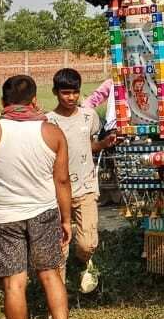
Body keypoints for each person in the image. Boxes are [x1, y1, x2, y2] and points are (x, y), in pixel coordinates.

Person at [0, 74, 74, 319]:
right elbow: (63, 181)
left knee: (13, 285)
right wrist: (66, 219)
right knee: (50, 274)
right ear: (34, 100)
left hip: (4, 216)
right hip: (43, 212)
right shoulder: (52, 133)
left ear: (4, 102)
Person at [47, 68, 115, 296]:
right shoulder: (48, 122)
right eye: (65, 93)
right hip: (56, 193)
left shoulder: (90, 116)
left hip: (86, 188)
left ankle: (83, 262)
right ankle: (60, 297)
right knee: (60, 248)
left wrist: (104, 144)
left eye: (75, 93)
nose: (71, 98)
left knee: (87, 243)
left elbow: (89, 145)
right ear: (55, 92)